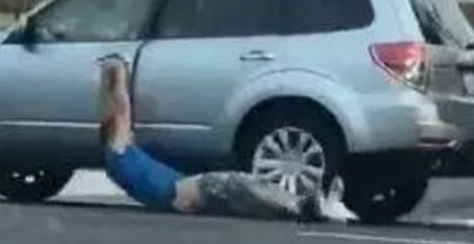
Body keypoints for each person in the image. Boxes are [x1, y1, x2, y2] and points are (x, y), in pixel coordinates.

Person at [98, 56, 352, 220]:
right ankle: (303, 206)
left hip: (183, 196)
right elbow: (120, 109)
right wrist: (116, 71)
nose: (130, 131)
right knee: (242, 185)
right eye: (125, 131)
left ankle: (304, 208)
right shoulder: (119, 155)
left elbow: (118, 114)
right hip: (183, 191)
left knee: (247, 199)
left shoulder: (123, 160)